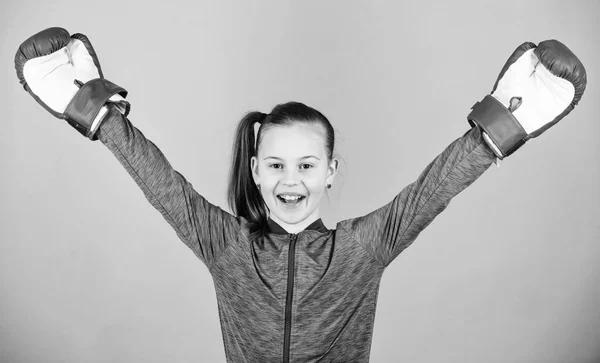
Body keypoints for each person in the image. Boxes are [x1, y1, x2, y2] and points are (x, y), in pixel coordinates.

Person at [14, 27, 586, 363]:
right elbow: (162, 186)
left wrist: (495, 133)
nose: (292, 180)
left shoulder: (364, 247)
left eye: (307, 165)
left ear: (331, 171)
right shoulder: (224, 244)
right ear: (257, 172)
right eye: (277, 165)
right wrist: (100, 118)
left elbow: (431, 192)